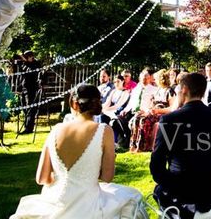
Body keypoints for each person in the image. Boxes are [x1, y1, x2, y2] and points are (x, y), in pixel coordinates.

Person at [11, 84, 143, 218]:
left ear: (74, 104)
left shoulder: (56, 129)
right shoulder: (104, 131)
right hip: (88, 204)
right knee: (132, 198)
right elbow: (107, 177)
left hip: (54, 200)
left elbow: (42, 178)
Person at [150, 73, 211, 218]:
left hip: (181, 192)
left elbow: (156, 166)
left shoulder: (170, 119)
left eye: (178, 90)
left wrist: (176, 184)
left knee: (158, 192)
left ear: (185, 89)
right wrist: (206, 174)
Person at [130, 69, 176, 153]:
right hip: (154, 112)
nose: (154, 81)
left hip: (163, 114)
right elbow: (151, 104)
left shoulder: (169, 91)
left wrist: (158, 110)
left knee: (144, 121)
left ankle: (142, 146)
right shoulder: (158, 90)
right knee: (137, 118)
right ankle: (133, 145)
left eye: (155, 79)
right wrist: (146, 111)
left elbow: (172, 108)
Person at [113, 68, 157, 148]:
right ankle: (125, 140)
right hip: (132, 112)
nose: (145, 80)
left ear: (149, 79)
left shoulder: (154, 90)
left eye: (146, 78)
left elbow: (153, 104)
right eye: (143, 78)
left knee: (135, 121)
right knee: (115, 120)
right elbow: (131, 103)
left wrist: (146, 111)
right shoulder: (136, 89)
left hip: (144, 113)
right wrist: (125, 110)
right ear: (140, 79)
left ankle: (134, 144)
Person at [20, 50, 42, 134]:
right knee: (24, 107)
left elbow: (31, 72)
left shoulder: (35, 64)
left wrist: (27, 63)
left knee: (30, 108)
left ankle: (29, 129)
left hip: (32, 89)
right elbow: (22, 74)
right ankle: (26, 126)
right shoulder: (24, 64)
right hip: (24, 88)